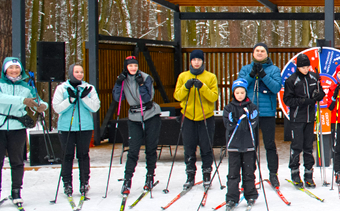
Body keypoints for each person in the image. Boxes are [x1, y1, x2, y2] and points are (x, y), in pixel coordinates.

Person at [0, 57, 47, 206]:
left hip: (17, 128)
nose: (14, 71)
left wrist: (41, 106)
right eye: (11, 68)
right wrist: (22, 101)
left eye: (17, 68)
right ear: (5, 69)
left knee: (17, 161)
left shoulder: (27, 87)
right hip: (1, 126)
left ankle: (16, 192)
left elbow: (35, 101)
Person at [112, 56, 161, 195]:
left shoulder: (145, 78)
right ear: (126, 67)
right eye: (130, 66)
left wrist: (141, 86)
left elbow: (147, 98)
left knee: (150, 148)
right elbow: (118, 98)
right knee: (133, 150)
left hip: (150, 114)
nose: (133, 68)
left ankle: (150, 177)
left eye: (135, 65)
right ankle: (127, 180)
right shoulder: (123, 79)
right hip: (134, 116)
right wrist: (117, 83)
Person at [237, 42, 283, 188]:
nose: (259, 53)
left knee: (269, 144)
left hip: (267, 112)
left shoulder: (274, 69)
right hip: (249, 111)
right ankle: (250, 174)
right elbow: (240, 87)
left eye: (262, 51)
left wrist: (263, 75)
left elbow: (276, 88)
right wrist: (252, 75)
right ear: (253, 53)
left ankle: (273, 174)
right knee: (251, 145)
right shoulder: (246, 69)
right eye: (257, 50)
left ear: (267, 54)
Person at [173, 49, 219, 192]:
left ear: (202, 61)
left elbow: (214, 97)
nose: (196, 62)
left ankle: (206, 175)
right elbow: (178, 96)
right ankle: (190, 176)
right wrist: (186, 87)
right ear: (190, 61)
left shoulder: (210, 77)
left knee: (206, 147)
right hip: (188, 117)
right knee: (189, 148)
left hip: (206, 117)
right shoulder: (183, 76)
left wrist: (203, 87)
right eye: (194, 60)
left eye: (199, 60)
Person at [52, 63, 100, 199]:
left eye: (81, 72)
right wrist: (70, 99)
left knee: (83, 155)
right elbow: (57, 108)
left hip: (84, 127)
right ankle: (67, 183)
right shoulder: (61, 88)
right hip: (66, 128)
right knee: (67, 156)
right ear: (70, 73)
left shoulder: (89, 88)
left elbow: (95, 107)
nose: (79, 74)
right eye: (76, 71)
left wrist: (84, 97)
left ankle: (84, 182)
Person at [285, 54, 325, 188]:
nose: (306, 69)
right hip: (297, 118)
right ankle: (295, 173)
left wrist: (320, 95)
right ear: (298, 67)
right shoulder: (292, 80)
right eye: (303, 67)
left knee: (308, 146)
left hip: (310, 117)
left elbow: (321, 92)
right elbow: (288, 100)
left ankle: (309, 174)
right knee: (297, 146)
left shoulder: (314, 77)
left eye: (307, 66)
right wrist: (303, 101)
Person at [222, 78, 259, 209]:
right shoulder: (228, 108)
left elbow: (254, 123)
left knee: (248, 171)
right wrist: (232, 122)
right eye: (237, 93)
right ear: (233, 93)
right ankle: (232, 198)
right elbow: (227, 124)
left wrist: (251, 120)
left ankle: (251, 195)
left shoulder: (251, 107)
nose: (240, 95)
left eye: (242, 92)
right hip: (234, 146)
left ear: (246, 93)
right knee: (233, 173)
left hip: (248, 145)